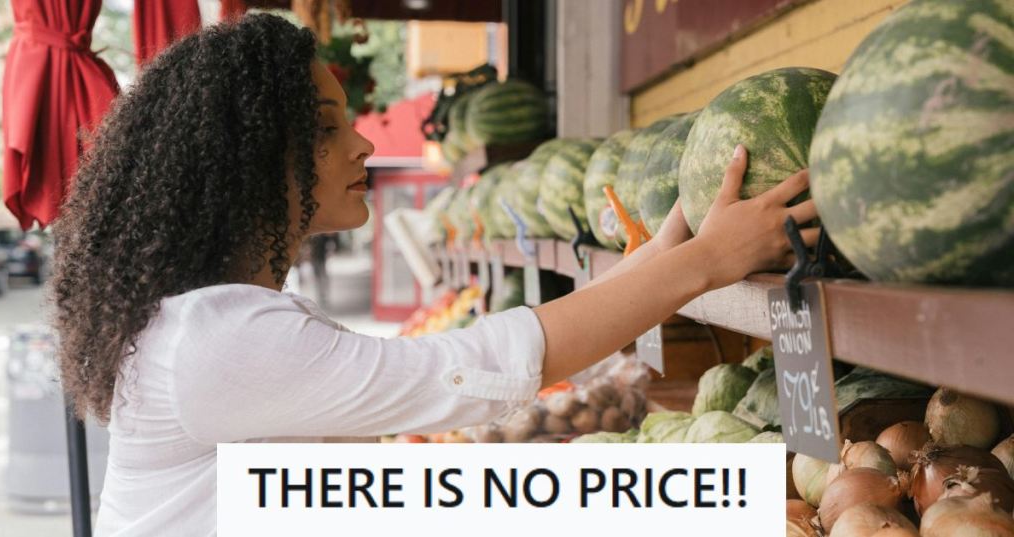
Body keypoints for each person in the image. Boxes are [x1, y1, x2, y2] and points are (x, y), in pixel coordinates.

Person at [49, 14, 819, 537]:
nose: (360, 148)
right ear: (245, 161)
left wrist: (675, 245)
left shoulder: (204, 324)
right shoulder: (220, 339)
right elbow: (471, 368)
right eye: (325, 129)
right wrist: (704, 264)